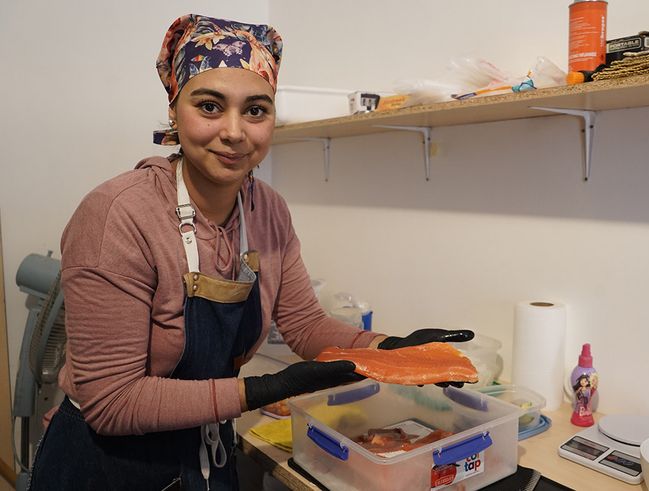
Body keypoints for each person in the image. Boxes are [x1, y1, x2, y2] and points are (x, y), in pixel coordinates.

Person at [28, 14, 473, 491]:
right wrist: (262, 389)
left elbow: (304, 324)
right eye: (210, 106)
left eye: (256, 110)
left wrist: (386, 351)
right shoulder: (118, 215)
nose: (235, 131)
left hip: (206, 454)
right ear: (174, 111)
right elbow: (112, 401)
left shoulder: (267, 210)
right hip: (108, 466)